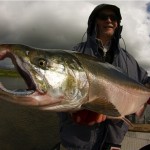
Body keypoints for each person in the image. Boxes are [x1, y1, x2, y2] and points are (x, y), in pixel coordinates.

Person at [58, 4, 150, 150]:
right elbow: (58, 92)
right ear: (95, 21)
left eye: (113, 18)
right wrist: (71, 111)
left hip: (113, 144)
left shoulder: (130, 60)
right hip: (77, 144)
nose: (109, 20)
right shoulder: (75, 53)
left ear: (118, 24)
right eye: (103, 17)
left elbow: (145, 81)